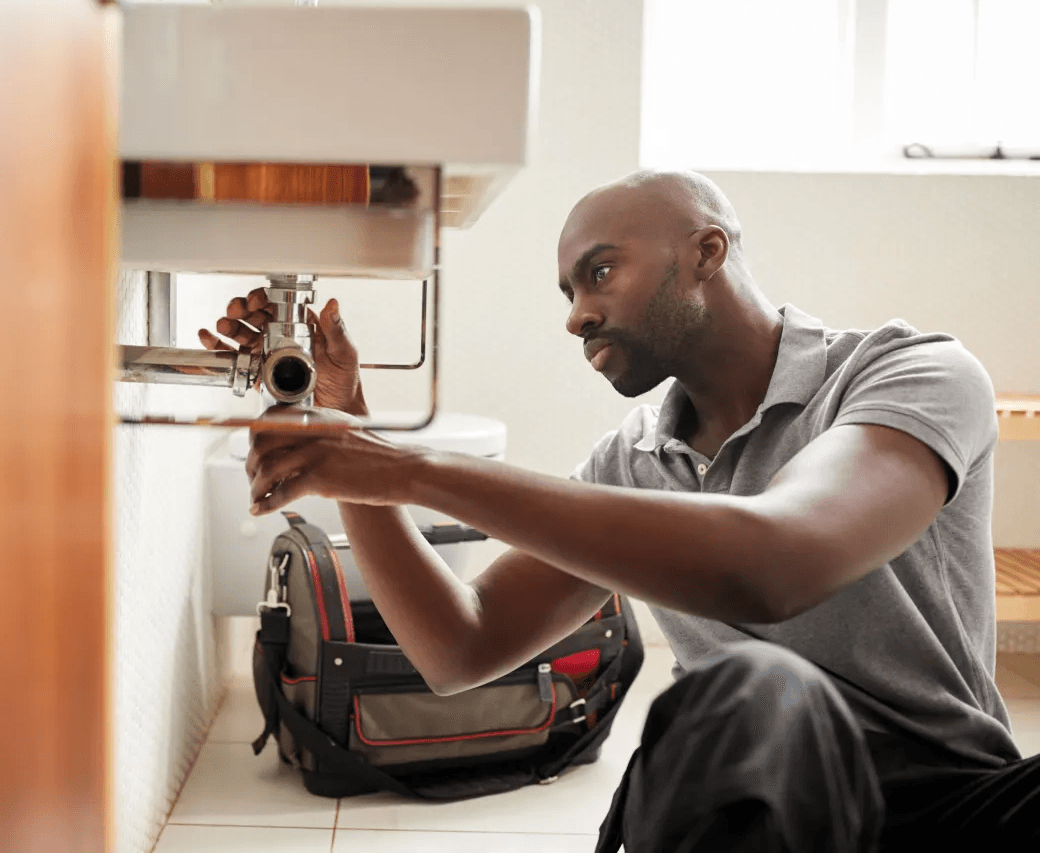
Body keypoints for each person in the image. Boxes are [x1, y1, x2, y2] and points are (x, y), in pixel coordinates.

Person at [199, 170, 1039, 851]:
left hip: (953, 802)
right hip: (756, 789)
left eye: (598, 273)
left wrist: (411, 467)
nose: (576, 315)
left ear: (706, 252)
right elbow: (461, 644)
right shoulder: (633, 460)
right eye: (568, 290)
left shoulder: (908, 372)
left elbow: (779, 562)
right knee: (754, 691)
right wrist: (358, 452)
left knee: (763, 683)